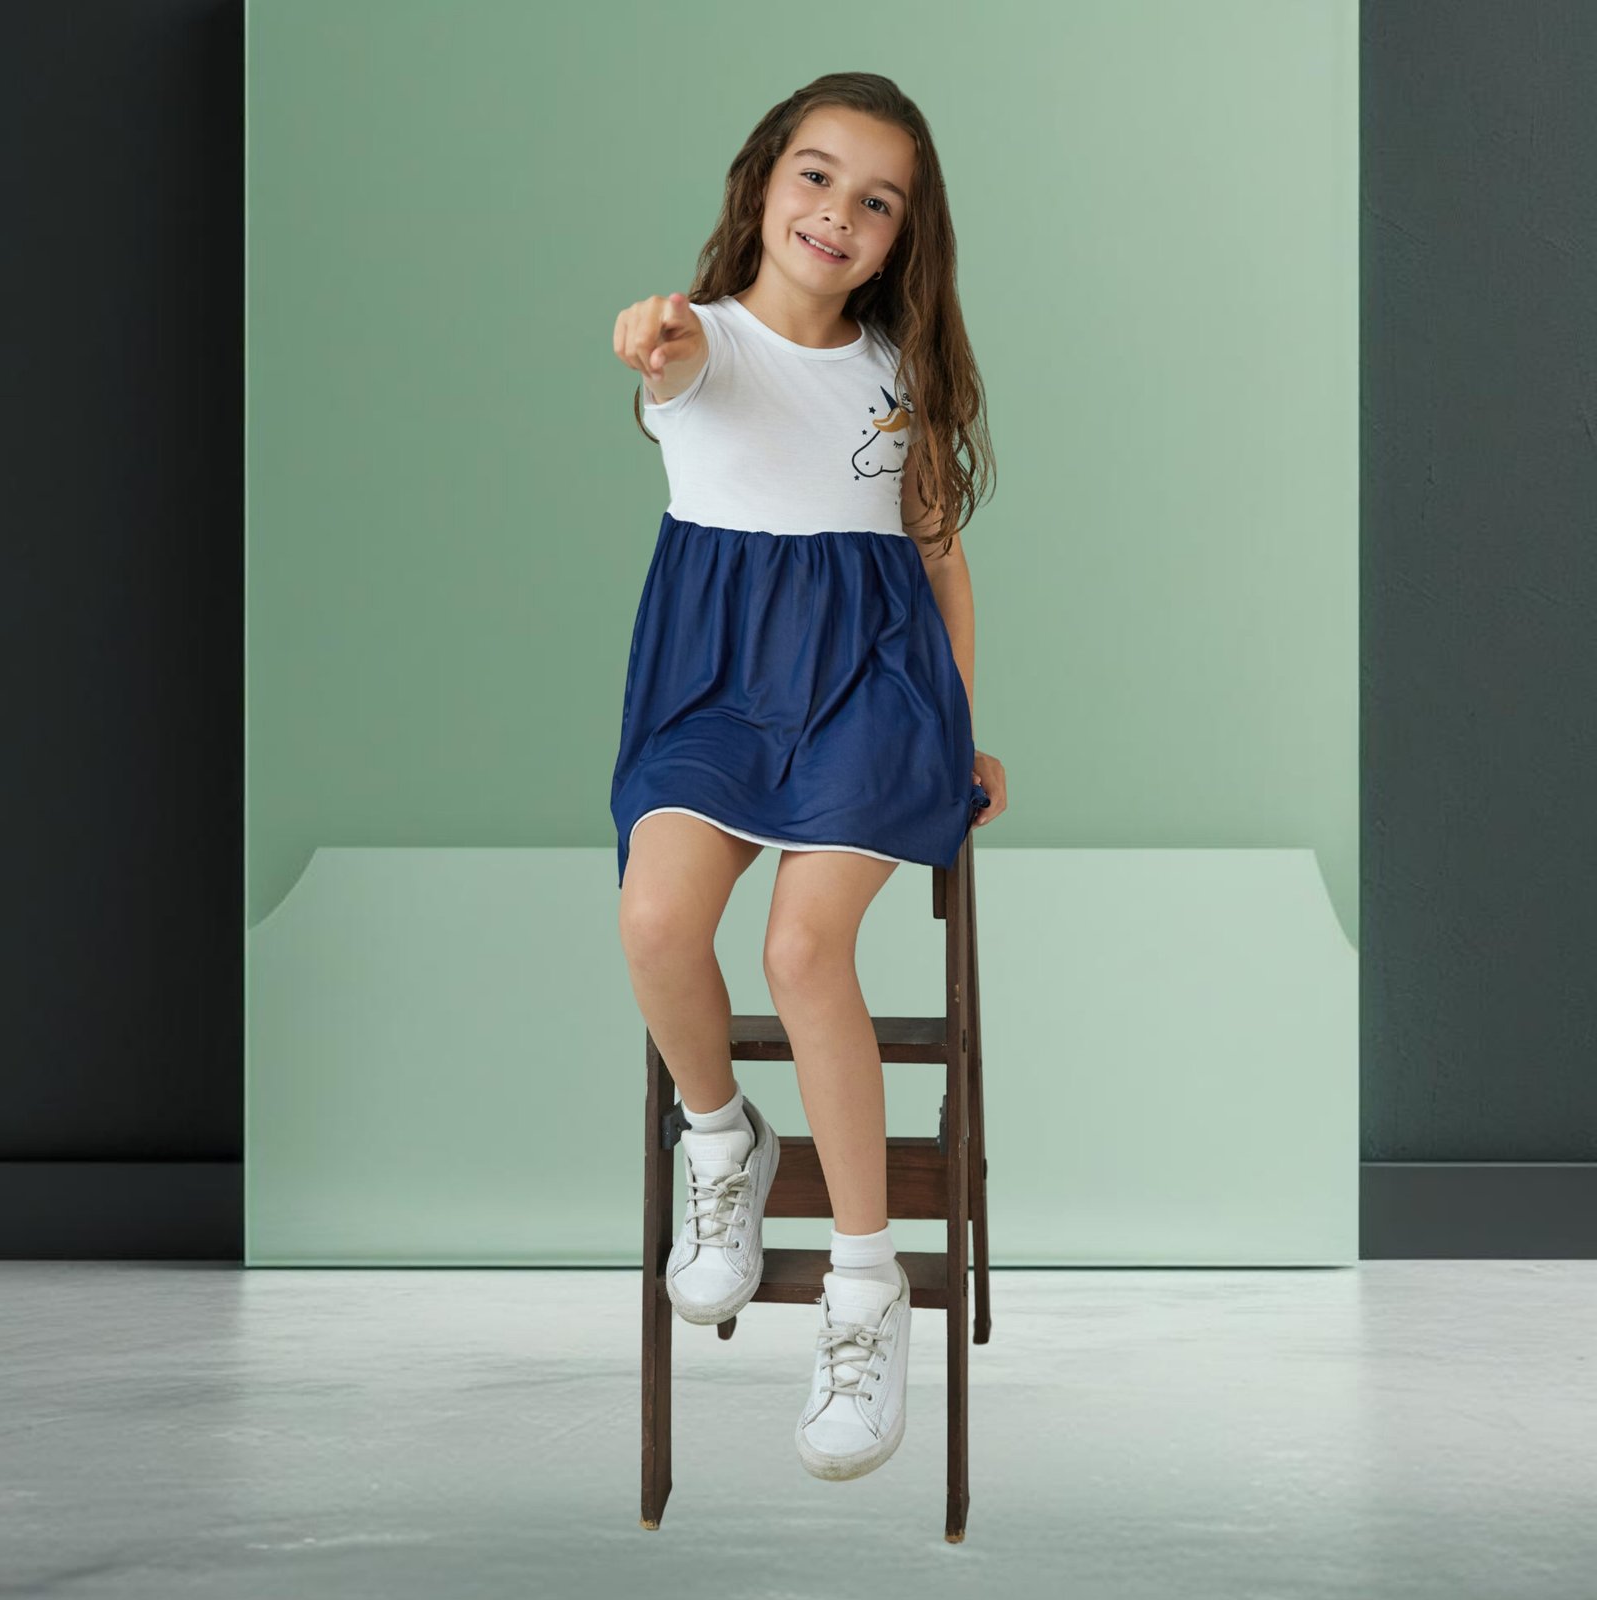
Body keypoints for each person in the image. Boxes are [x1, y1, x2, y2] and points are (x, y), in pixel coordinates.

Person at [609, 72, 1007, 1482]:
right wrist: (651, 333)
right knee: (658, 919)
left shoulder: (902, 377)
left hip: (872, 691)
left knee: (800, 947)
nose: (838, 212)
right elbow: (660, 354)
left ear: (903, 238)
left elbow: (940, 559)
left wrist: (957, 727)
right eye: (817, 176)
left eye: (876, 201)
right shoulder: (703, 342)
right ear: (765, 182)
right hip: (715, 686)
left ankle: (863, 1283)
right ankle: (723, 1141)